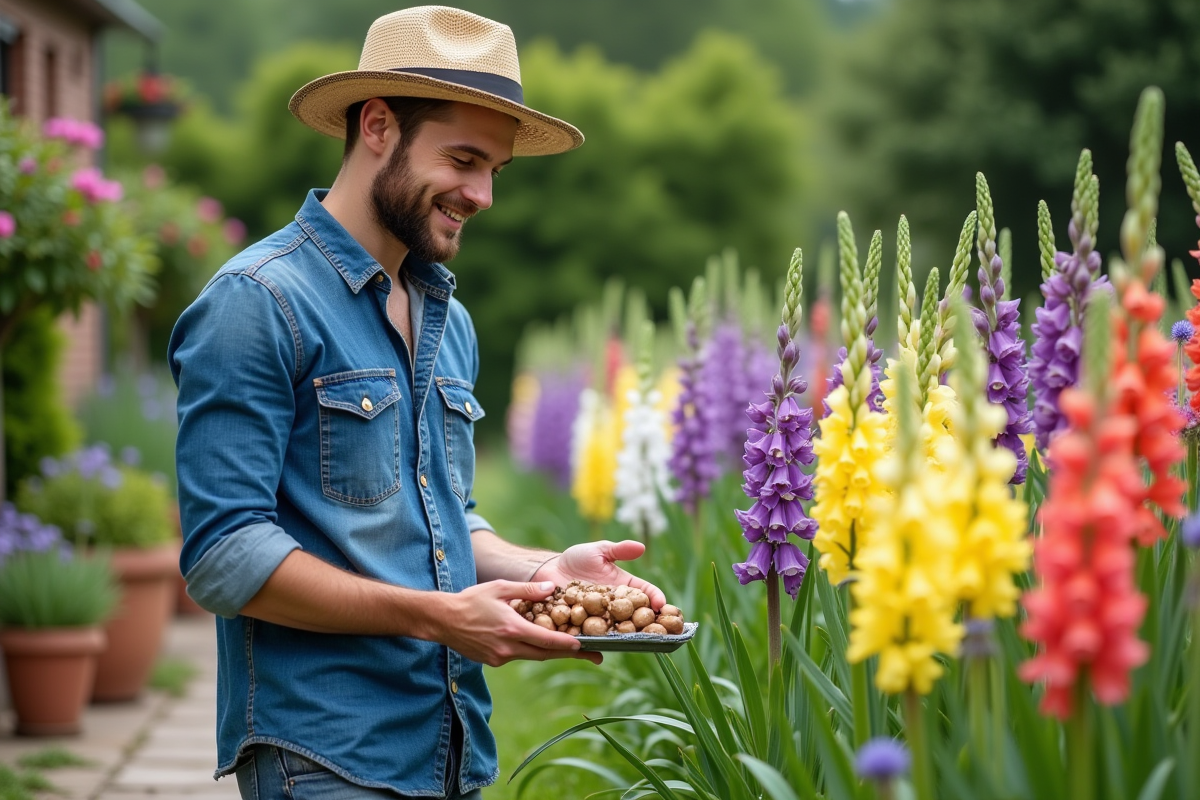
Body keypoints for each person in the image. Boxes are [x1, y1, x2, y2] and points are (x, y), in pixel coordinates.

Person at [168, 7, 665, 799]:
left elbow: (440, 514)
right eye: (464, 159)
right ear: (376, 126)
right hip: (324, 757)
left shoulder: (449, 320)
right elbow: (225, 558)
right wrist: (438, 615)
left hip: (451, 748)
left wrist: (548, 574)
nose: (483, 194)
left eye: (496, 170)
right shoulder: (256, 302)